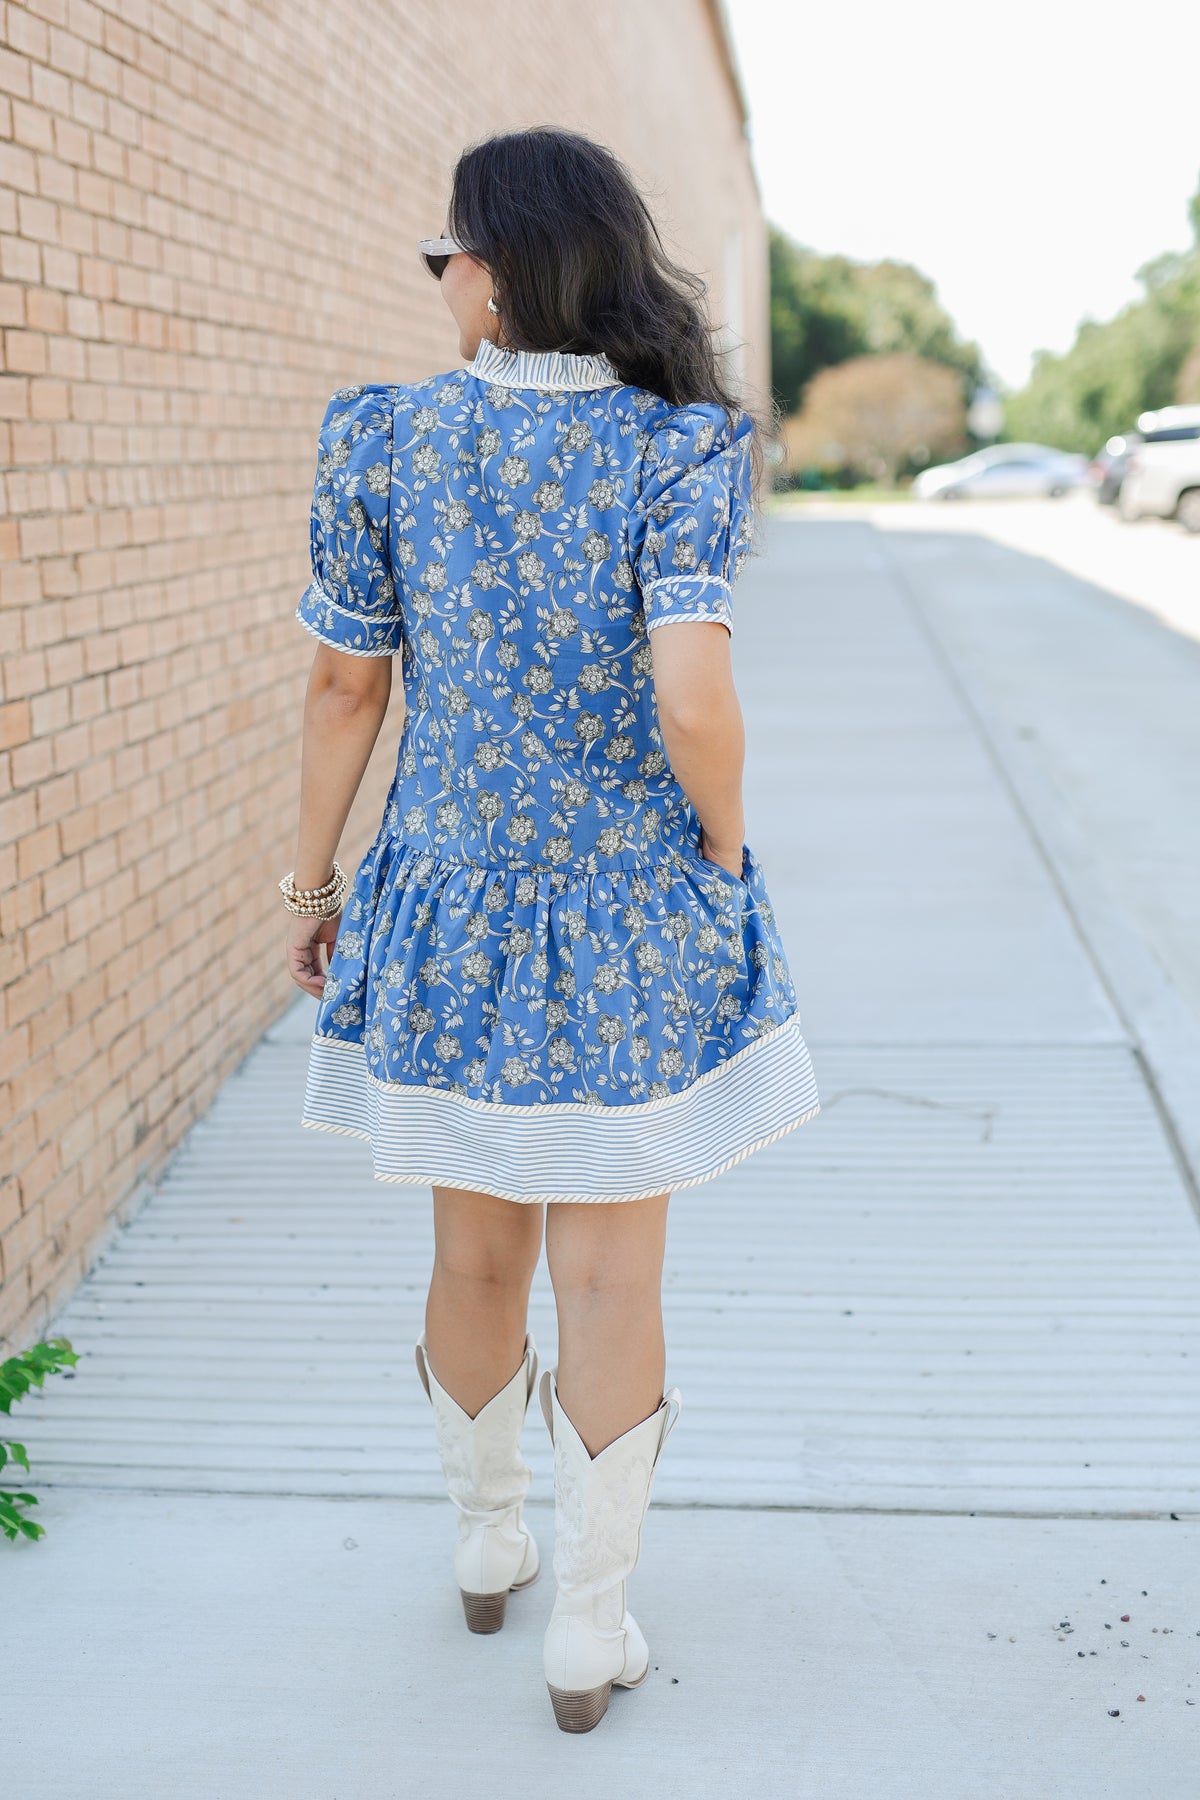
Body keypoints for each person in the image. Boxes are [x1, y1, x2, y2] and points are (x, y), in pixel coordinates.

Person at [282, 126, 820, 1734]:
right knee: (608, 1276)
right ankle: (589, 1627)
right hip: (629, 911)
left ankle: (485, 1538)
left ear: (498, 269)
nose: (437, 280)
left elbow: (340, 689)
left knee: (473, 1250)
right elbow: (695, 700)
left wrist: (316, 890)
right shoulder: (681, 447)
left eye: (443, 253)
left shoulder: (380, 436)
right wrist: (722, 851)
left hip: (445, 901)